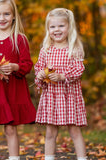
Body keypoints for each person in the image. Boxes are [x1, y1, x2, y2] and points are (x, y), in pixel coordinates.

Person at [0, 0, 36, 160]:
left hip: (13, 91)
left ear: (14, 16)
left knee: (11, 129)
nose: (2, 18)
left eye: (6, 14)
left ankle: (14, 158)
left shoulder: (19, 39)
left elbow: (27, 64)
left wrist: (16, 67)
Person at [34, 8, 87, 160]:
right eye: (53, 27)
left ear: (69, 27)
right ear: (48, 29)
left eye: (61, 26)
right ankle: (49, 158)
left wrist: (63, 76)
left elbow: (78, 70)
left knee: (74, 131)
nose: (57, 30)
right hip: (52, 97)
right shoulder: (46, 50)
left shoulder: (74, 49)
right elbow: (38, 70)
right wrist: (41, 74)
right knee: (50, 132)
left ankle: (82, 158)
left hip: (69, 96)